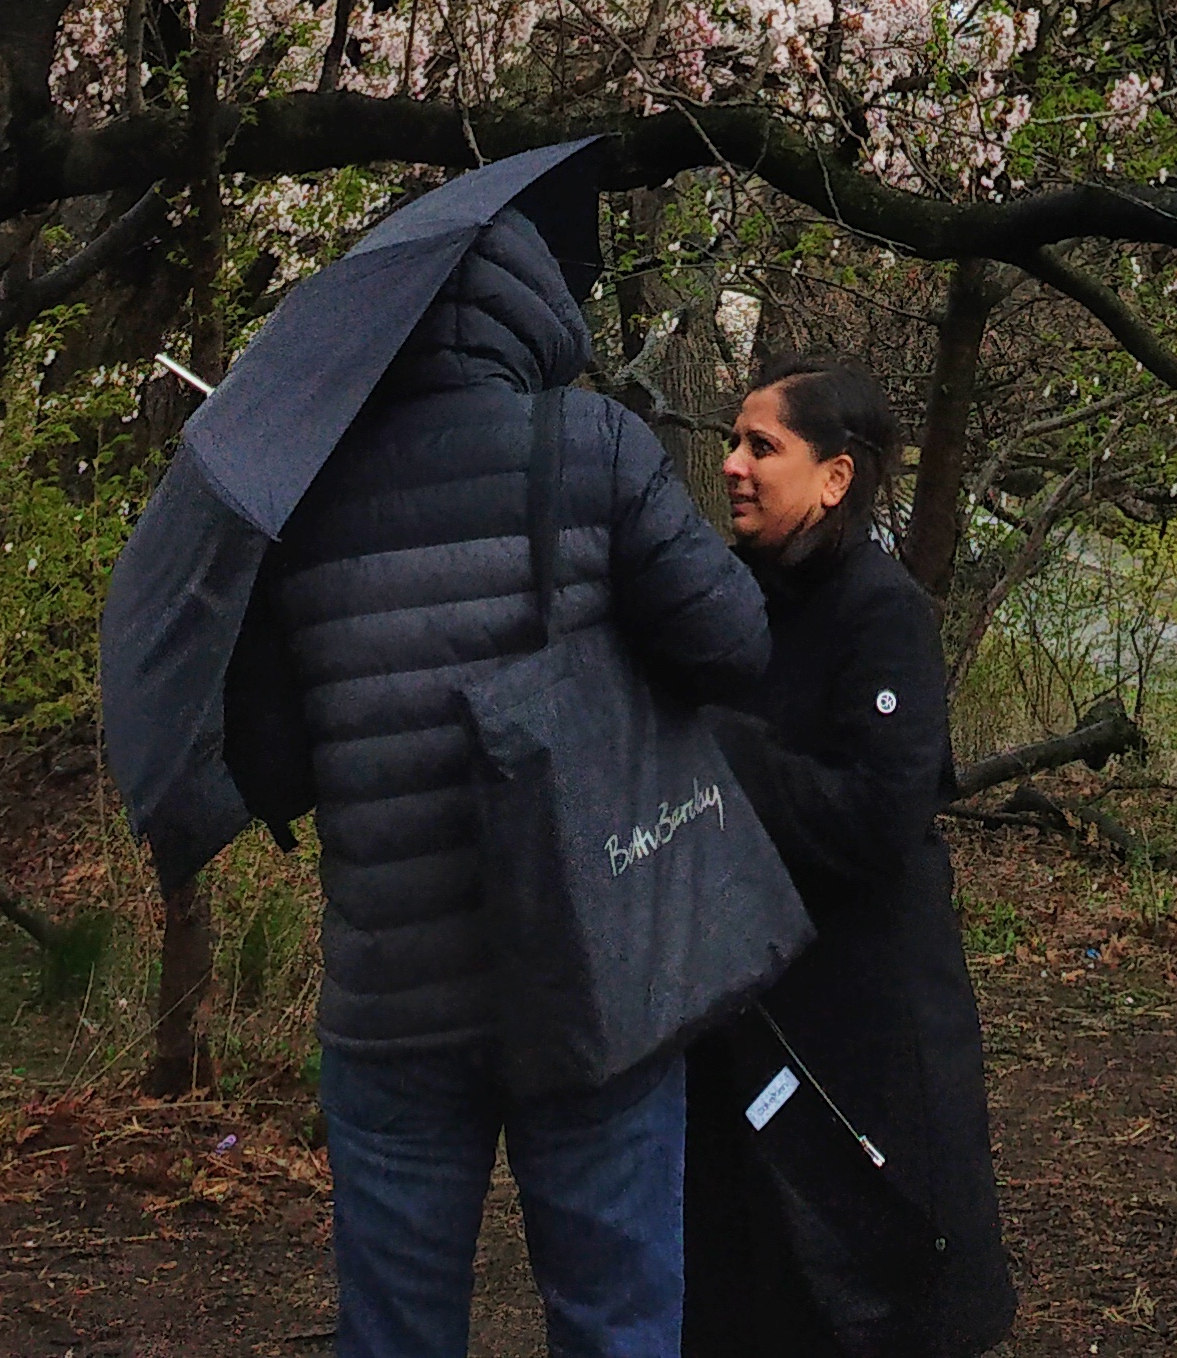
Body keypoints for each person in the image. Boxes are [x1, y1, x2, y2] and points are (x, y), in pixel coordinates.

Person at [271, 204, 770, 1358]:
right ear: (538, 312)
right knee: (615, 1322)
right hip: (591, 967)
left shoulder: (302, 489)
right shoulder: (592, 443)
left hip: (392, 991)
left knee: (392, 1333)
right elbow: (733, 643)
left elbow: (268, 758)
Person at [684, 359, 1016, 1358]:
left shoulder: (883, 611)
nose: (734, 466)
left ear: (835, 476)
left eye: (762, 447)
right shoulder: (731, 596)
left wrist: (729, 751)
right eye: (734, 442)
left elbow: (880, 813)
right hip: (749, 998)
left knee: (876, 1276)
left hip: (868, 1012)